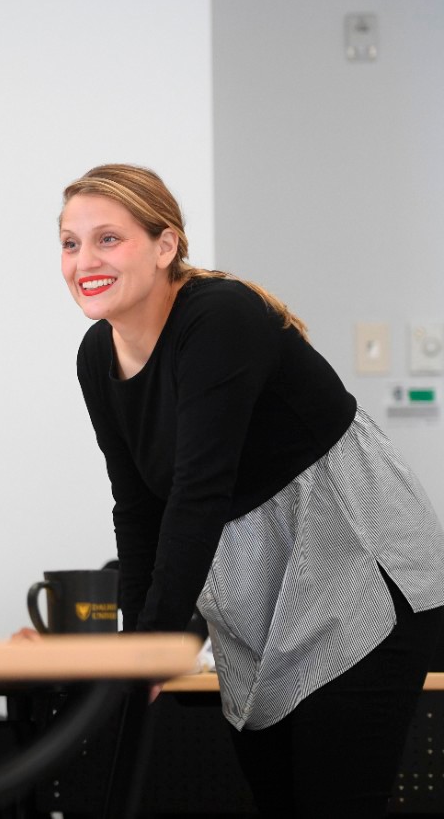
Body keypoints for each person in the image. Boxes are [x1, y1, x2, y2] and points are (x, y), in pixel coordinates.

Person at [62, 163, 444, 818]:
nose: (83, 261)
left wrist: (153, 642)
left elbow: (198, 490)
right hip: (259, 595)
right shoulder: (98, 355)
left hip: (355, 571)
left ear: (165, 246)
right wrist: (140, 637)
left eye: (108, 239)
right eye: (70, 242)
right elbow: (138, 505)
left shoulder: (220, 316)